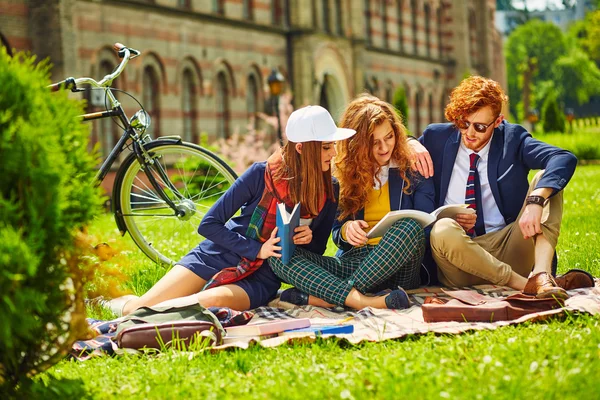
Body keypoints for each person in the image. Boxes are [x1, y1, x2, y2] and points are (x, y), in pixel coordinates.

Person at [108, 105, 356, 316]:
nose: (333, 153)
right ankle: (119, 305)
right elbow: (209, 224)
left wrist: (306, 239)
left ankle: (137, 315)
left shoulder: (329, 188)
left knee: (201, 306)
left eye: (332, 145)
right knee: (139, 310)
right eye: (325, 147)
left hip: (261, 278)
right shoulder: (260, 174)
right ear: (301, 148)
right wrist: (257, 249)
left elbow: (316, 250)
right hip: (218, 255)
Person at [418, 75, 594, 298]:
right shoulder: (437, 137)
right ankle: (527, 286)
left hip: (507, 246)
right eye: (464, 123)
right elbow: (398, 146)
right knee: (442, 230)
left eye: (480, 127)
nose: (470, 132)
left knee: (545, 181)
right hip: (458, 260)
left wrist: (536, 200)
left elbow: (562, 158)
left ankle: (540, 274)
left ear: (498, 121)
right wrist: (412, 143)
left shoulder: (512, 139)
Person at [270, 95, 435, 309]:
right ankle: (363, 298)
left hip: (399, 265)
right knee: (278, 253)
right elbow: (337, 235)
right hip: (355, 261)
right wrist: (347, 230)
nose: (384, 148)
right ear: (357, 144)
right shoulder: (343, 176)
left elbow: (426, 226)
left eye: (389, 137)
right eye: (374, 142)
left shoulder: (414, 168)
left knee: (409, 227)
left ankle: (335, 296)